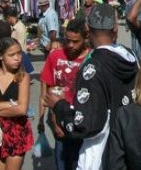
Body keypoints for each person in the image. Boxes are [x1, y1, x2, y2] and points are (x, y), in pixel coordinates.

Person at [47, 4, 139, 170]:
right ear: (115, 29)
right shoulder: (130, 57)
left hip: (101, 156)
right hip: (130, 148)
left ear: (88, 29)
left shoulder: (92, 67)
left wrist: (59, 105)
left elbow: (85, 125)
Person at [39, 18, 90, 170]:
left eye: (76, 41)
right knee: (62, 163)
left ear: (86, 38)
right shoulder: (55, 56)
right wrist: (53, 123)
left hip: (83, 121)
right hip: (59, 120)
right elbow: (48, 91)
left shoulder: (92, 58)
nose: (70, 45)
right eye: (68, 40)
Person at [0, 38, 34, 170]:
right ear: (1, 56)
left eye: (19, 53)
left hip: (16, 131)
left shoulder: (23, 77)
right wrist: (11, 104)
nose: (17, 58)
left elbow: (22, 109)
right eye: (12, 55)